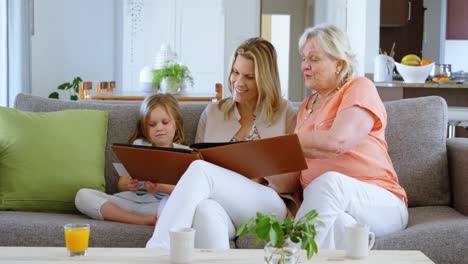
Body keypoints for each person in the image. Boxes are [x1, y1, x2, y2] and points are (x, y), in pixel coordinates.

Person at [146, 37, 297, 249]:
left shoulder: (285, 113)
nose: (238, 82)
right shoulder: (213, 112)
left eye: (249, 77)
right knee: (206, 211)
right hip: (222, 205)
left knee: (200, 169)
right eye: (235, 72)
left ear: (266, 78)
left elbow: (291, 180)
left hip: (267, 204)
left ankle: (157, 249)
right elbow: (194, 162)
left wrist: (256, 169)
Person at [293, 23, 408, 249]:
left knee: (329, 182)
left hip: (380, 202)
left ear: (339, 63)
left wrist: (283, 145)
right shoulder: (306, 107)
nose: (305, 66)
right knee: (339, 226)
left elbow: (337, 141)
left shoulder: (358, 87)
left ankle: (287, 256)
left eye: (314, 59)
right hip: (334, 206)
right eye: (303, 58)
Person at [75, 94, 190, 225]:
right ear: (145, 128)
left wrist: (160, 187)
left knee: (187, 207)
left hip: (158, 206)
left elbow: (187, 191)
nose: (159, 128)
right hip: (129, 202)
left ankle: (150, 218)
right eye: (152, 125)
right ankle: (144, 221)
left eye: (165, 122)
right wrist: (129, 185)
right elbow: (121, 185)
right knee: (82, 195)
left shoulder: (185, 153)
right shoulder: (138, 145)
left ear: (176, 123)